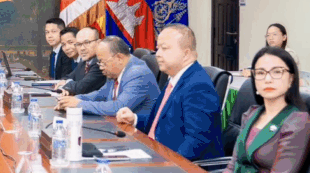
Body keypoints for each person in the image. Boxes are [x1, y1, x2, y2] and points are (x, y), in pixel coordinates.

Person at [219, 47, 310, 173]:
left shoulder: (297, 121)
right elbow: (232, 166)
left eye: (277, 72)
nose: (268, 79)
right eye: (261, 73)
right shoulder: (251, 114)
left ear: (291, 79)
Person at [117, 24, 223, 161]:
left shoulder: (198, 86)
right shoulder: (175, 78)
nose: (158, 54)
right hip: (156, 154)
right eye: (158, 48)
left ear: (186, 54)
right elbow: (162, 122)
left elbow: (196, 141)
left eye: (165, 48)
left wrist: (168, 166)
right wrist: (135, 119)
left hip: (177, 165)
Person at [56, 36, 159, 119]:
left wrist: (79, 104)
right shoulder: (115, 71)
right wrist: (72, 100)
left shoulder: (138, 74)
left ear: (119, 58)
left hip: (141, 134)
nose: (101, 67)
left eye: (102, 62)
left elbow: (118, 108)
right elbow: (101, 94)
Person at [55, 27, 106, 96]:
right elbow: (69, 77)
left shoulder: (101, 62)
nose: (82, 48)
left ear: (98, 43)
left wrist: (66, 83)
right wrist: (65, 82)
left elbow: (82, 87)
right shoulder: (84, 61)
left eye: (87, 43)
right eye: (79, 44)